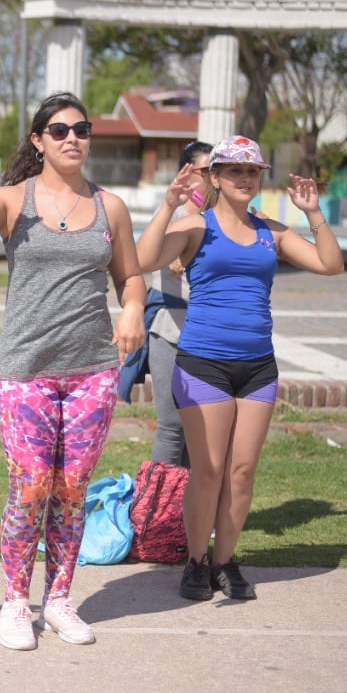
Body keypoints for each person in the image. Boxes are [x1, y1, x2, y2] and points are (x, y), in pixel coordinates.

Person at [0, 90, 146, 651]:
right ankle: (15, 601)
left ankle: (58, 600)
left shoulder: (112, 207)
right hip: (26, 369)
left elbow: (129, 276)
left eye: (81, 129)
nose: (72, 138)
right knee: (31, 486)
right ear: (38, 140)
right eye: (59, 131)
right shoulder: (14, 201)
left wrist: (131, 308)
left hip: (92, 370)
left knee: (73, 489)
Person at [136, 135, 343, 602]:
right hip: (203, 362)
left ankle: (225, 561)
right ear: (215, 178)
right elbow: (144, 259)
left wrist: (312, 214)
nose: (246, 178)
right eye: (235, 171)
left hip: (257, 368)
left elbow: (330, 264)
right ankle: (195, 560)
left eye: (252, 171)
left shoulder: (272, 230)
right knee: (207, 470)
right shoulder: (195, 226)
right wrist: (168, 207)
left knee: (242, 471)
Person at [146, 141, 213, 467]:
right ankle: (157, 511)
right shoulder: (178, 215)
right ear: (186, 175)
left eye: (219, 170)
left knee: (202, 431)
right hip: (172, 330)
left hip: (212, 337)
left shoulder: (228, 218)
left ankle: (191, 513)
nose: (214, 178)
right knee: (172, 427)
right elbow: (146, 256)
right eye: (205, 171)